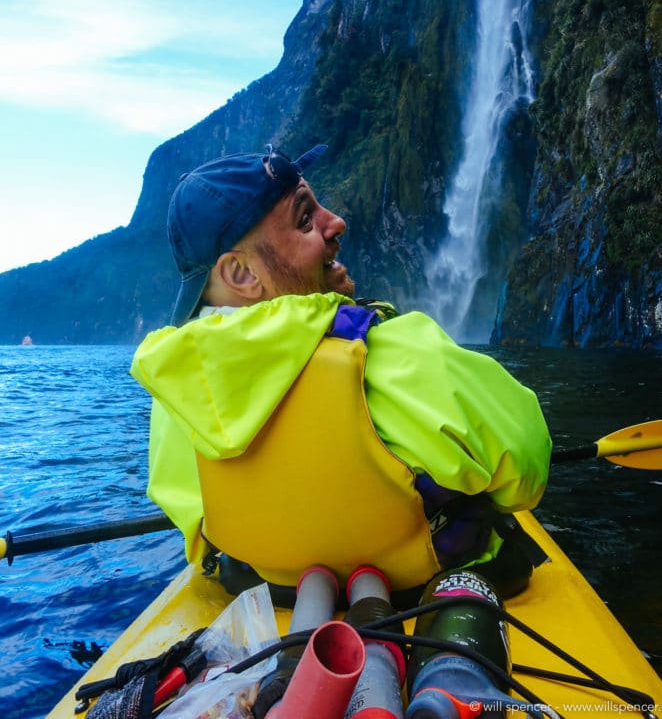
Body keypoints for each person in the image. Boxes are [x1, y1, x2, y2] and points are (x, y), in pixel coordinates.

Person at [131, 143, 551, 598]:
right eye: (305, 219)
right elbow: (527, 466)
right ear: (242, 275)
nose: (336, 222)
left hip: (273, 597)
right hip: (431, 590)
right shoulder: (387, 351)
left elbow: (196, 527)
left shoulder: (177, 391)